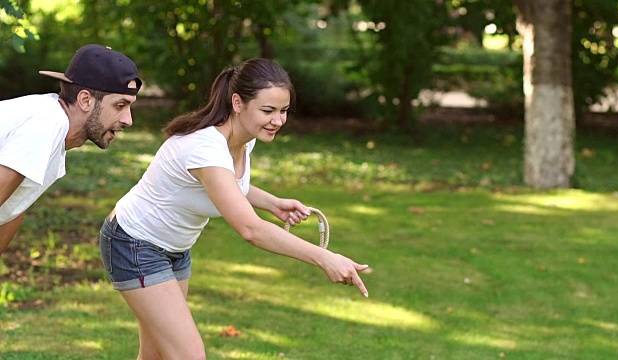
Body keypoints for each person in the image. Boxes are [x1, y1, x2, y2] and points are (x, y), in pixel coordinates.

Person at [99, 58, 369, 359]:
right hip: (136, 244)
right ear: (237, 103)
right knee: (189, 355)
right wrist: (324, 258)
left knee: (157, 355)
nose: (277, 121)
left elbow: (227, 184)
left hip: (173, 249)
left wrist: (273, 204)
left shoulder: (244, 139)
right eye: (268, 111)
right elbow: (250, 229)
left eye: (283, 111)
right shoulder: (205, 146)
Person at [0, 44, 142, 254]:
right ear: (85, 100)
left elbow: (13, 208)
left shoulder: (53, 129)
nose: (128, 120)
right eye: (119, 106)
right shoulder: (45, 125)